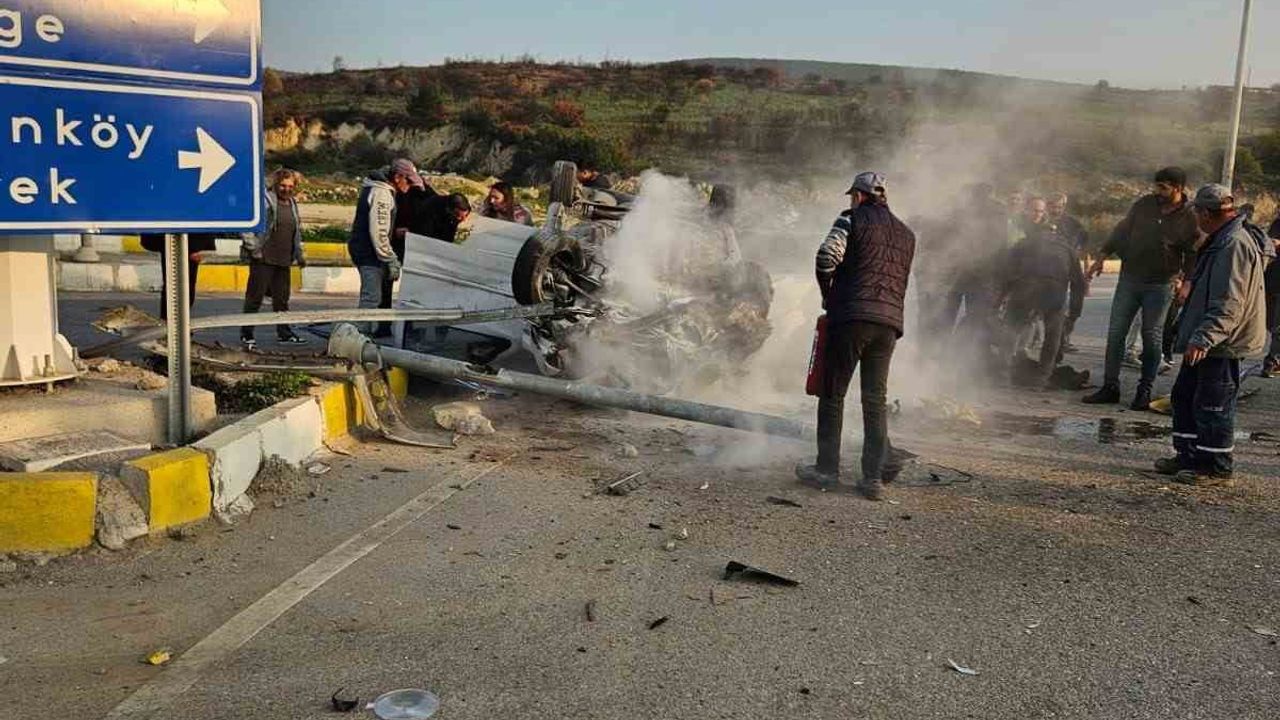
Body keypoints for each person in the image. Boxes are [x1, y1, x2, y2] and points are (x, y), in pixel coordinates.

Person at [796, 172, 917, 501]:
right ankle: (872, 480)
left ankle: (826, 471)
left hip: (851, 318)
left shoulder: (851, 219)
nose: (850, 201)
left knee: (832, 394)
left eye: (852, 196)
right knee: (874, 401)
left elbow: (826, 258)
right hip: (889, 323)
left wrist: (828, 294)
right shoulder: (906, 234)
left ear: (860, 196)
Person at [1155, 185, 1269, 486]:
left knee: (1213, 403)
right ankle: (1188, 456)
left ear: (1207, 213)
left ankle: (1215, 467)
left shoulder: (1232, 245)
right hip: (1209, 337)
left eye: (1197, 214)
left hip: (1221, 342)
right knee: (1185, 396)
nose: (1196, 219)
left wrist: (1204, 338)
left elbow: (1229, 301)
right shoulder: (1220, 240)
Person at [1084, 167, 1200, 410]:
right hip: (1129, 278)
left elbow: (1192, 254)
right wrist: (1101, 257)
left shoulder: (1190, 216)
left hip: (1160, 284)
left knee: (1151, 336)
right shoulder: (1144, 205)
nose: (1157, 191)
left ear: (1178, 189)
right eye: (1156, 186)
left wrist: (1187, 283)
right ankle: (1109, 387)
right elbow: (1121, 230)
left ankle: (1144, 391)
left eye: (1163, 187)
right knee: (1116, 333)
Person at [1001, 197, 1086, 387]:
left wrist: (999, 300)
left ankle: (1003, 373)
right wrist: (1074, 315)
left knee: (1011, 328)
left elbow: (1007, 273)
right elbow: (1079, 284)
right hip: (1054, 292)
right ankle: (1042, 378)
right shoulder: (1067, 247)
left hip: (1026, 289)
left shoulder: (1024, 243)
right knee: (1053, 335)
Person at [239, 169, 306, 348]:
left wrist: (299, 253)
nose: (286, 189)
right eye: (283, 185)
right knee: (255, 298)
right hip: (263, 257)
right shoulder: (265, 201)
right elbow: (247, 225)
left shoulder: (292, 203)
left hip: (284, 259)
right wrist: (253, 247)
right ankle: (247, 334)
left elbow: (297, 231)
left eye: (290, 186)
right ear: (276, 185)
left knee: (282, 299)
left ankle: (284, 333)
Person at [348, 162, 413, 333]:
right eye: (409, 181)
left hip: (365, 249)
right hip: (368, 252)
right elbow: (379, 231)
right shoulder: (382, 194)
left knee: (373, 297)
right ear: (397, 177)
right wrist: (390, 258)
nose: (411, 185)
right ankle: (358, 336)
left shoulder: (378, 189)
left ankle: (364, 334)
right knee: (371, 298)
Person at [141, 233, 219, 321]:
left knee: (182, 284)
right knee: (179, 284)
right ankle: (173, 323)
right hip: (180, 236)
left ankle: (174, 323)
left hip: (188, 237)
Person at [1048, 192, 1090, 354]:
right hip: (1048, 270)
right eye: (1052, 206)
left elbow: (1085, 250)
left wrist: (1086, 275)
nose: (1056, 210)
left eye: (1059, 206)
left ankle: (1064, 337)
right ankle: (1055, 340)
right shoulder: (1041, 222)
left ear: (1064, 206)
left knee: (1075, 306)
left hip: (1070, 268)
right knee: (1053, 306)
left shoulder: (1073, 225)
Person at [1264, 214, 1280, 378]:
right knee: (1269, 323)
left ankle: (1272, 361)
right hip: (1271, 279)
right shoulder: (1277, 222)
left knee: (1278, 326)